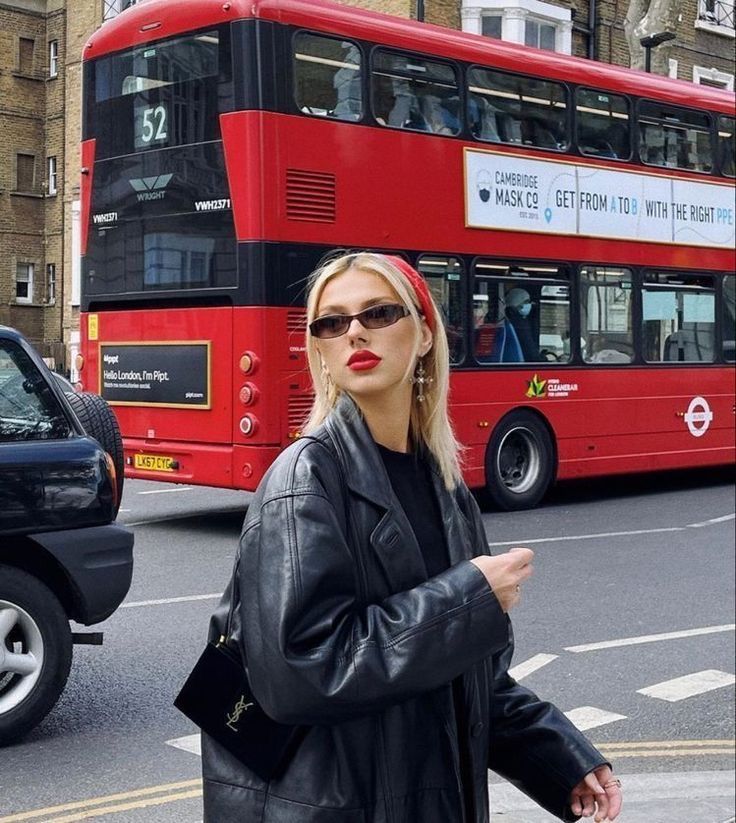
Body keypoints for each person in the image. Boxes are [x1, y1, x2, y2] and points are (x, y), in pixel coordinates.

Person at [201, 252, 623, 822]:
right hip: (337, 806)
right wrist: (467, 599)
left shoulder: (445, 487)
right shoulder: (307, 478)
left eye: (378, 313)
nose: (354, 332)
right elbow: (300, 673)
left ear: (424, 334)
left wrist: (558, 756)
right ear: (319, 350)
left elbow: (470, 676)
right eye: (332, 322)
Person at [505, 286, 541, 361]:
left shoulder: (508, 319)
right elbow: (530, 351)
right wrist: (542, 359)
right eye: (526, 302)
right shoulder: (520, 324)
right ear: (518, 304)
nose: (530, 304)